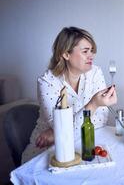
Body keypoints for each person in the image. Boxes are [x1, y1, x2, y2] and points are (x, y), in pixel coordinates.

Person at [22, 27, 117, 163]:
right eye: (85, 51)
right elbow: (61, 129)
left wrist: (56, 133)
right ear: (66, 54)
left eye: (91, 51)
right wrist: (93, 105)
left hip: (81, 145)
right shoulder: (47, 82)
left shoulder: (95, 73)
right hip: (47, 151)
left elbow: (102, 120)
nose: (91, 56)